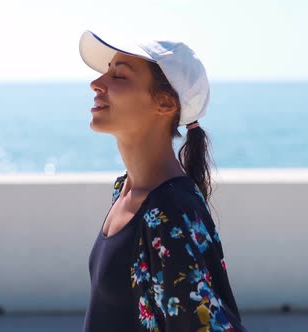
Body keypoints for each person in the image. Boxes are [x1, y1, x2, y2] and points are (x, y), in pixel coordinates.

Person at [79, 30, 248, 332]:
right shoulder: (127, 191)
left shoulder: (167, 213)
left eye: (119, 77)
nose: (96, 83)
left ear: (165, 104)